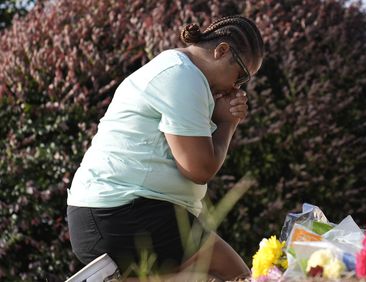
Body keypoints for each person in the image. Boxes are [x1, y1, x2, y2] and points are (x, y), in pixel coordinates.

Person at [66, 15, 264, 280]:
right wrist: (228, 123)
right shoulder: (183, 76)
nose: (236, 87)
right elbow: (199, 168)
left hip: (108, 213)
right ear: (222, 50)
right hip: (118, 212)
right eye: (240, 76)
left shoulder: (179, 70)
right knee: (231, 271)